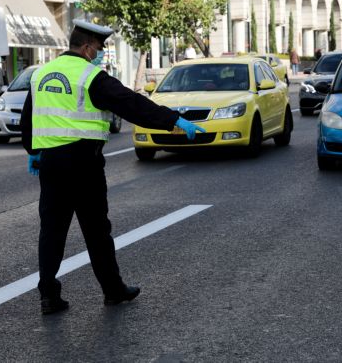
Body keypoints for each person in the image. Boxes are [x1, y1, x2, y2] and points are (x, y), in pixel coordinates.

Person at [20, 19, 205, 315]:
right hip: (84, 163)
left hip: (51, 164)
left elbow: (29, 116)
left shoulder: (41, 74)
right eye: (99, 47)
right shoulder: (90, 76)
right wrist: (173, 120)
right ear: (86, 47)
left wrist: (33, 151)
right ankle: (113, 290)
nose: (101, 53)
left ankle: (49, 297)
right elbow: (130, 103)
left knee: (51, 231)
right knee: (96, 230)